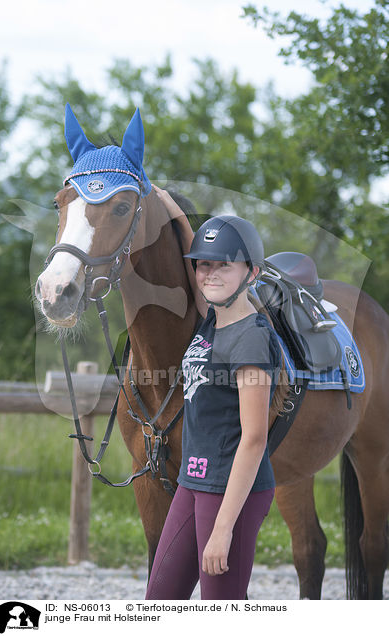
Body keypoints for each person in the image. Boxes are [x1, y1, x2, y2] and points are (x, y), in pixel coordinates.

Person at [145, 185, 281, 600]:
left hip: (232, 492)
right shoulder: (212, 318)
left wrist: (223, 528)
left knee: (221, 610)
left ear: (251, 273)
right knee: (159, 602)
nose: (211, 273)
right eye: (204, 266)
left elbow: (255, 438)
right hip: (192, 482)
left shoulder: (252, 340)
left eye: (224, 265)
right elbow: (195, 266)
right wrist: (163, 200)